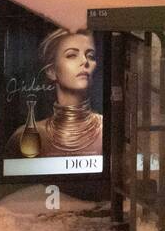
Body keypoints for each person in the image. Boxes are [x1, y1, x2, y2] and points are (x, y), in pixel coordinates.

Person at [6, 28, 103, 159]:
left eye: (90, 56)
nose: (85, 61)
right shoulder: (23, 137)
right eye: (71, 55)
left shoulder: (107, 131)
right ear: (51, 71)